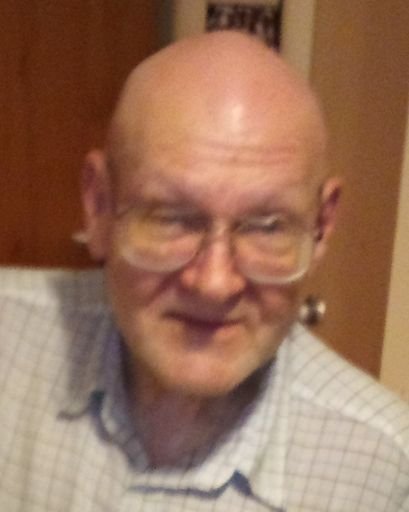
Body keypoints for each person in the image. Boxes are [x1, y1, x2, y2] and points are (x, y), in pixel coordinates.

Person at [0, 31, 408, 512]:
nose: (215, 284)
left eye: (268, 226)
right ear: (100, 207)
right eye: (172, 218)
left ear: (320, 228)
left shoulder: (383, 470)